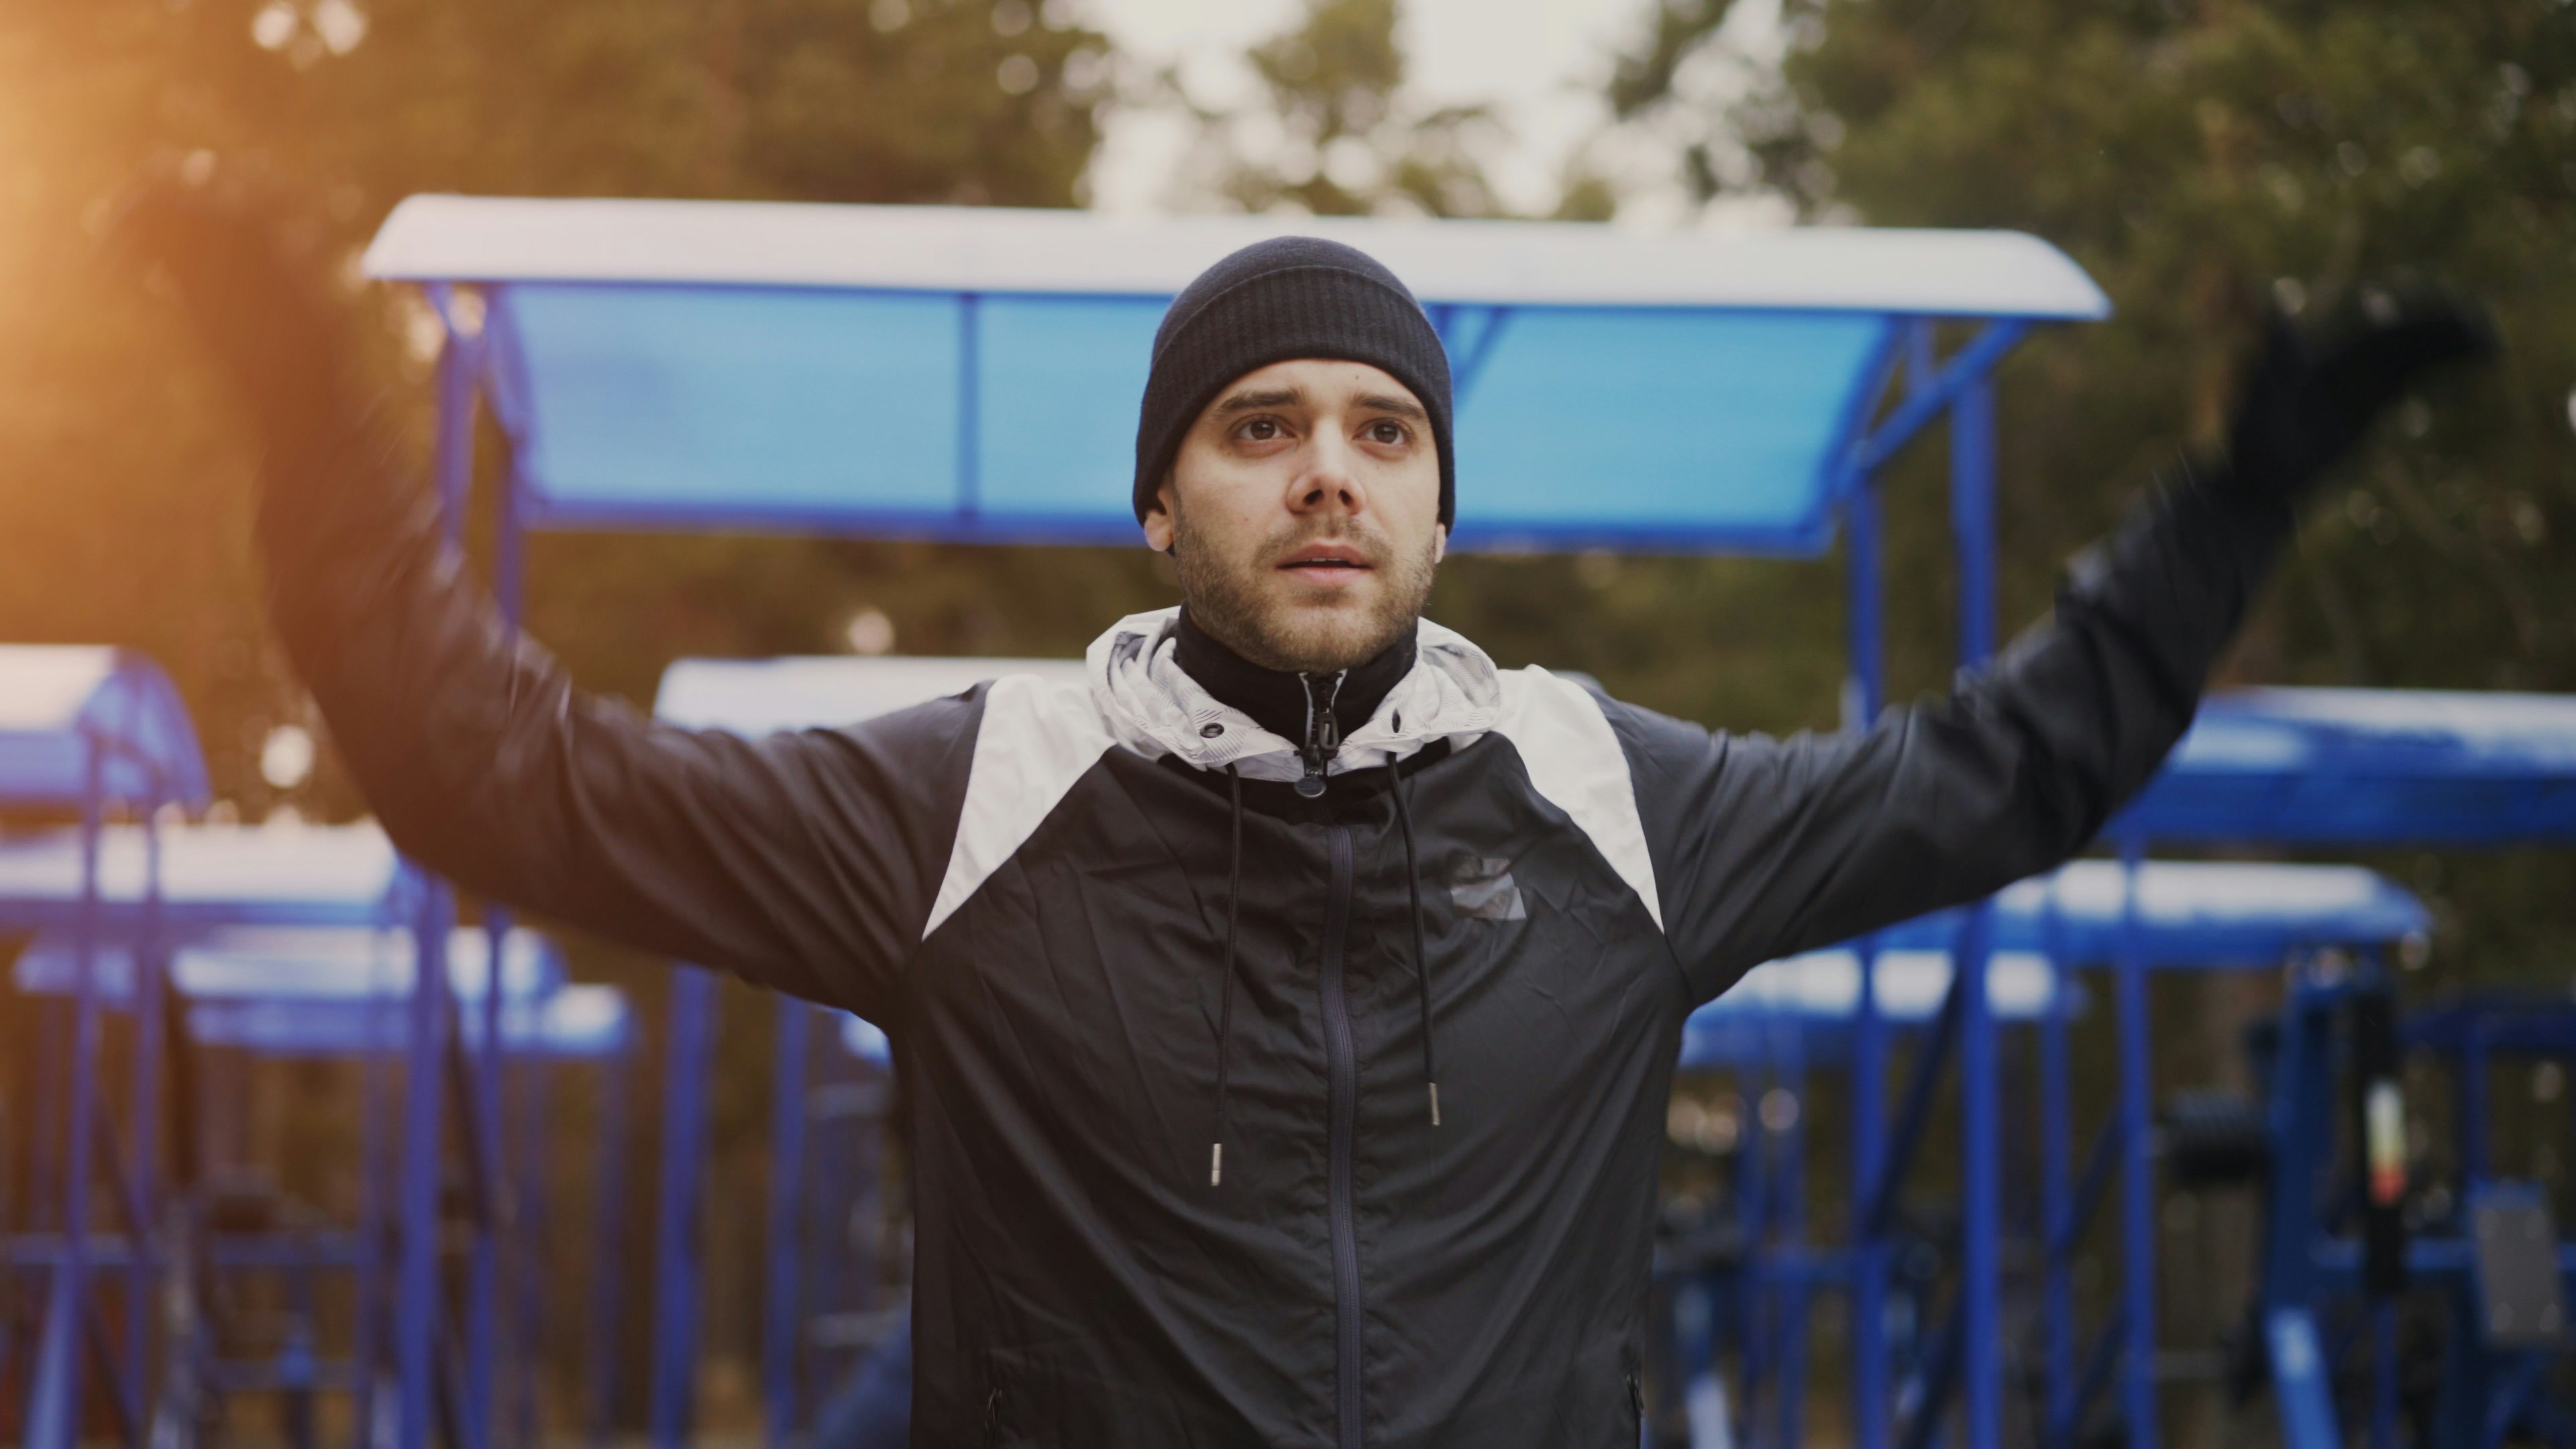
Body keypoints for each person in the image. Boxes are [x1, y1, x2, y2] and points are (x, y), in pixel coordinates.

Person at [112, 170, 2491, 1448]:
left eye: (1382, 430)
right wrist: (319, 424)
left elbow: (2017, 764)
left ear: (1443, 508)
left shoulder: (1608, 801)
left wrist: (2228, 510)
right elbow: (495, 776)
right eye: (1261, 430)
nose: (1326, 474)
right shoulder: (976, 803)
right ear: (1165, 505)